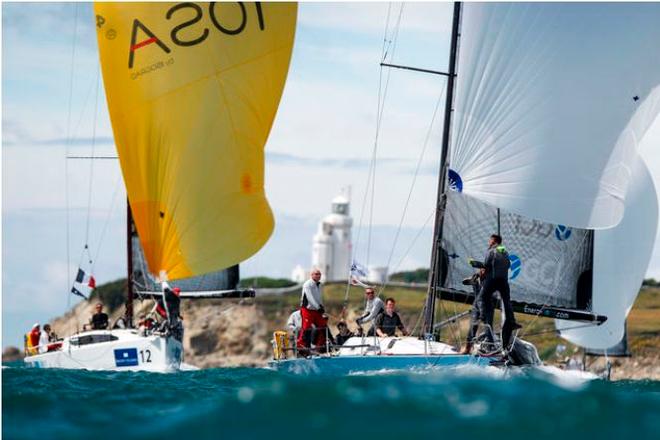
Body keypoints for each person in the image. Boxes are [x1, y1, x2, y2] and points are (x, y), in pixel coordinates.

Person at [470, 234, 521, 352]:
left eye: (490, 240)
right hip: (503, 281)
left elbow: (486, 265)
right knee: (506, 301)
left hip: (491, 284)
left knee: (480, 301)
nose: (488, 242)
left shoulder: (491, 251)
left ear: (493, 241)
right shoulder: (505, 252)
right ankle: (512, 321)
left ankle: (481, 318)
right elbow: (508, 265)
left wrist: (476, 264)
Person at [297, 268, 328, 354]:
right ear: (312, 275)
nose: (318, 276)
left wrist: (321, 306)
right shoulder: (308, 284)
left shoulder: (319, 285)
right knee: (306, 327)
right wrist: (318, 307)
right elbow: (310, 298)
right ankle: (302, 345)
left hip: (316, 309)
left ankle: (320, 345)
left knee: (323, 325)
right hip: (307, 309)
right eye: (316, 274)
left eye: (319, 274)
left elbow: (318, 297)